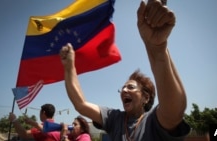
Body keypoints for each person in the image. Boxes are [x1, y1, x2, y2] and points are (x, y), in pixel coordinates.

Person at [59, 0, 190, 140]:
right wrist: (69, 68)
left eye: (131, 87)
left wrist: (158, 49)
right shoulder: (115, 118)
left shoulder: (153, 121)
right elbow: (81, 104)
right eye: (123, 88)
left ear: (146, 97)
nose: (124, 91)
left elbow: (173, 113)